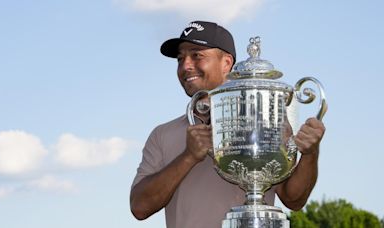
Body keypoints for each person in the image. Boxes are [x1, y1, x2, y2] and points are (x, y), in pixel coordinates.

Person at [130, 20, 325, 228]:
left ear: (226, 63)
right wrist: (188, 156)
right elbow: (140, 207)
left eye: (197, 55)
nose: (186, 66)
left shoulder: (267, 120)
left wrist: (310, 153)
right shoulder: (162, 135)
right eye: (180, 59)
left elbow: (294, 199)